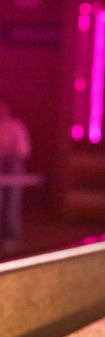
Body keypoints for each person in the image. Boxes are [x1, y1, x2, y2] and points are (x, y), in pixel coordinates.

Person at [0, 95, 31, 252]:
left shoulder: (16, 126)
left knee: (11, 205)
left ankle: (11, 237)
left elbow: (23, 150)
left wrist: (8, 153)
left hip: (12, 168)